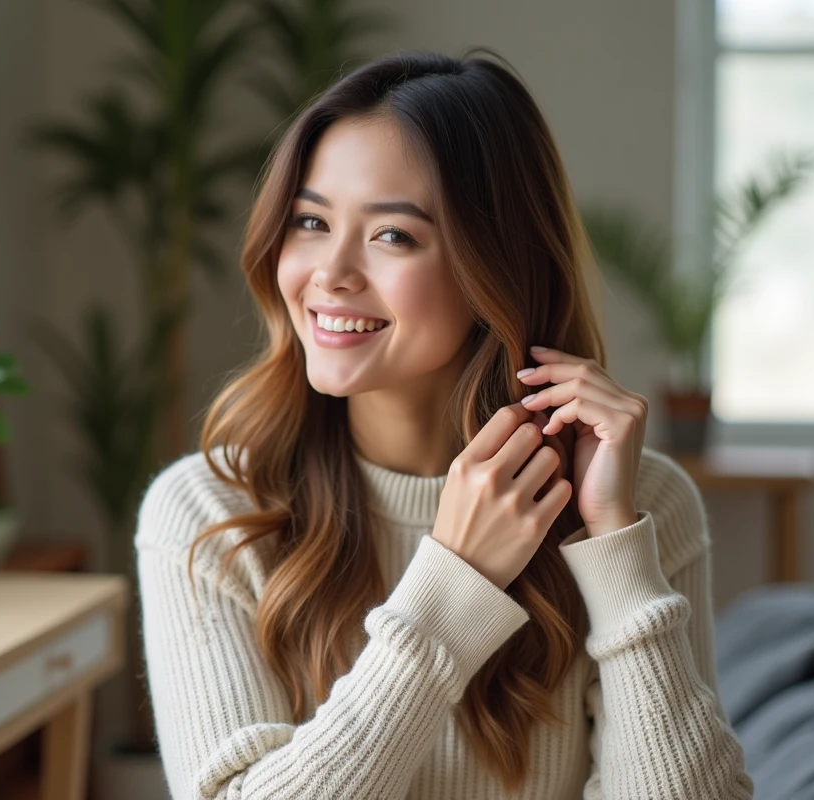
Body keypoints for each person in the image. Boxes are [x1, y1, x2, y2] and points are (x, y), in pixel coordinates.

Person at [134, 48, 754, 799]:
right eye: (309, 221)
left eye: (392, 235)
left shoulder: (642, 502)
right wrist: (453, 582)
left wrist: (616, 547)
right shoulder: (211, 511)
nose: (330, 272)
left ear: (494, 265)